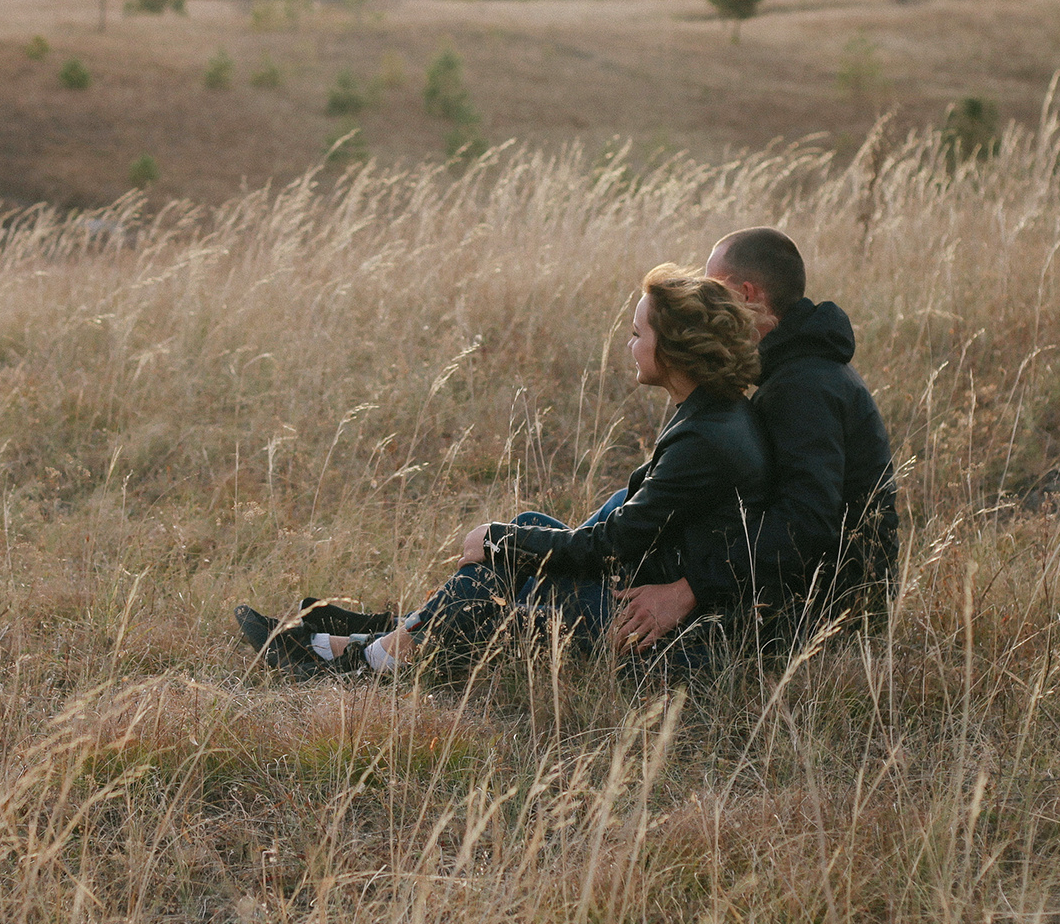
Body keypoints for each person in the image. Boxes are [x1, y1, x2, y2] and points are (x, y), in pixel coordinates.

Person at [236, 264, 768, 679]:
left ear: (673, 347)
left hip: (660, 634)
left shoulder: (706, 438)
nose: (628, 345)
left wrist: (497, 540)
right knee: (528, 527)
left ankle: (363, 663)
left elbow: (612, 543)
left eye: (636, 333)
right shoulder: (712, 413)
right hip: (645, 592)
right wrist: (518, 542)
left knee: (492, 570)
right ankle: (376, 645)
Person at [610, 226, 899, 653]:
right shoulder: (790, 369)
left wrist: (688, 589)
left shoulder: (804, 387)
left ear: (748, 294)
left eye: (714, 287)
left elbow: (805, 525)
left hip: (822, 616)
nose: (703, 300)